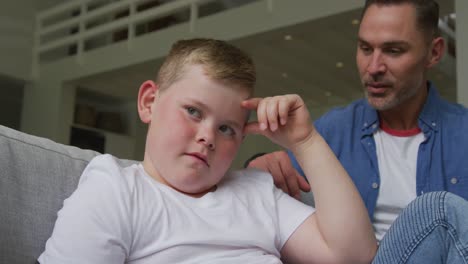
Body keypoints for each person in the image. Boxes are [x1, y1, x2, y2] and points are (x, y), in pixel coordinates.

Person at [37, 38, 377, 263]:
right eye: (194, 112)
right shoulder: (116, 188)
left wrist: (306, 142)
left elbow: (356, 256)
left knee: (428, 212)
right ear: (149, 103)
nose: (208, 137)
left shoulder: (257, 193)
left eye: (227, 128)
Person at [247, 0, 468, 263]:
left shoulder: (462, 132)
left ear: (434, 53)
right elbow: (273, 194)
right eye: (365, 48)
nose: (373, 67)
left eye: (393, 50)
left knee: (441, 211)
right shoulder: (328, 132)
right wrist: (259, 169)